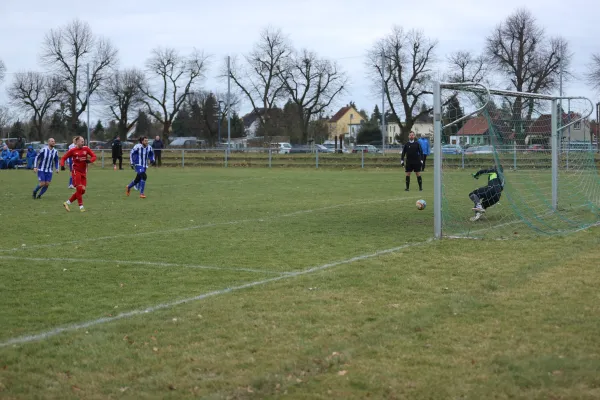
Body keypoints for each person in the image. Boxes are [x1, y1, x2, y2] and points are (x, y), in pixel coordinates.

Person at [60, 136, 97, 212]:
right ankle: (81, 206)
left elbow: (94, 156)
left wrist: (90, 161)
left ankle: (67, 203)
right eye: (81, 141)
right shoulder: (73, 150)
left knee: (83, 191)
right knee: (79, 188)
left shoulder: (86, 149)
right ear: (77, 142)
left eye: (83, 141)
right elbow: (63, 157)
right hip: (76, 172)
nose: (83, 143)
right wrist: (62, 165)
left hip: (83, 172)